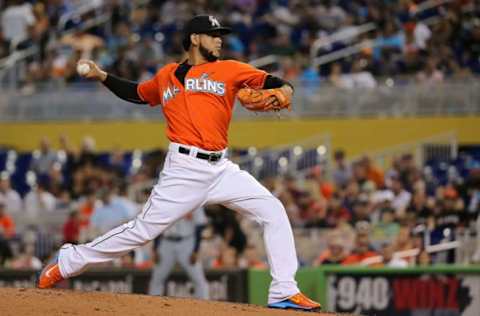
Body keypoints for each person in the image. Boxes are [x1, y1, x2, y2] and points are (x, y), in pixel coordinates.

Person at [38, 15, 321, 311]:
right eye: (213, 35)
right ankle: (70, 259)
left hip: (221, 168)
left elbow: (276, 82)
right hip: (183, 169)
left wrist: (285, 91)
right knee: (142, 231)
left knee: (272, 209)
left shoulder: (230, 69)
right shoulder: (167, 75)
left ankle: (284, 290)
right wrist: (103, 77)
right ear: (195, 38)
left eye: (220, 35)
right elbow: (137, 93)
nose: (219, 39)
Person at [149, 207, 209, 299]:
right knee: (157, 279)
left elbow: (199, 227)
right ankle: (151, 307)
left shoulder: (195, 199)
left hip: (187, 243)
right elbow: (158, 225)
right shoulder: (165, 199)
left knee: (199, 280)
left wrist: (196, 250)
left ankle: (205, 309)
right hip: (166, 243)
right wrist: (156, 247)